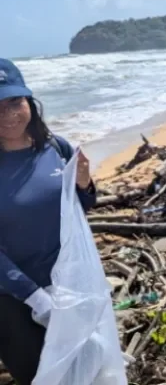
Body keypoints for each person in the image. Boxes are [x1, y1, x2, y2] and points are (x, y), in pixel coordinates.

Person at [0, 58, 98, 384]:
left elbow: (79, 211)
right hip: (13, 301)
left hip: (68, 284)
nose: (9, 114)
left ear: (30, 101)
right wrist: (34, 296)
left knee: (85, 369)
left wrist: (85, 184)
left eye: (15, 101)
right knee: (39, 375)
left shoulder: (57, 147)